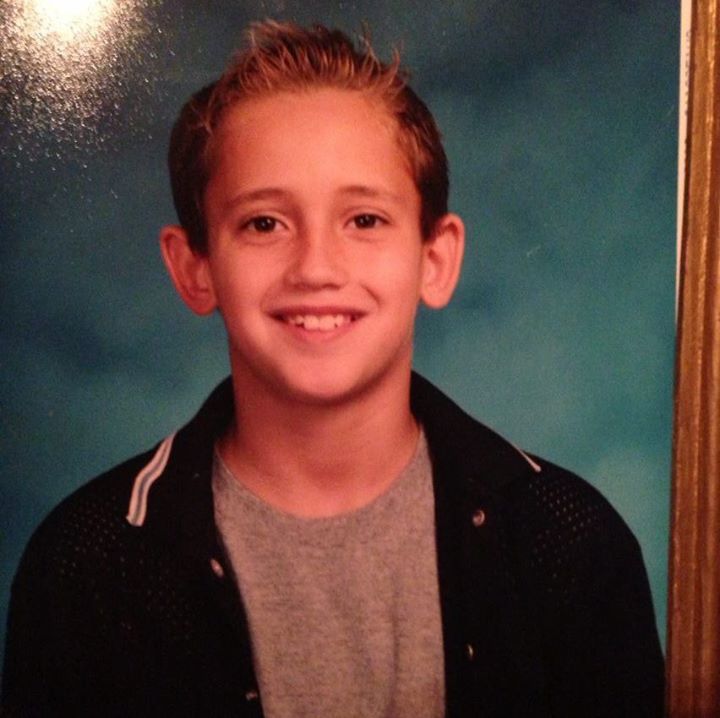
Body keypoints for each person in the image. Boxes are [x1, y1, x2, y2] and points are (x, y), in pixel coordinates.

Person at [2, 21, 663, 717]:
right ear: (194, 268)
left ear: (435, 260)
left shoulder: (567, 542)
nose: (316, 268)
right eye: (264, 223)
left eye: (364, 220)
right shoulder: (88, 565)